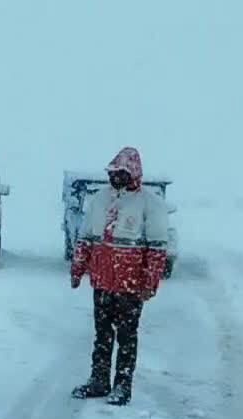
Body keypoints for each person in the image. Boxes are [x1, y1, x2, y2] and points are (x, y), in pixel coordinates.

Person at [70, 147, 170, 405]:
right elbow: (86, 237)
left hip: (130, 285)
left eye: (123, 173)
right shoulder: (100, 200)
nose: (117, 178)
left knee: (127, 336)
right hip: (103, 281)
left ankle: (122, 385)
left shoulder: (150, 204)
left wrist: (150, 282)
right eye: (114, 173)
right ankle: (99, 380)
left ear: (134, 174)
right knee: (101, 334)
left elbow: (157, 248)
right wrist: (78, 268)